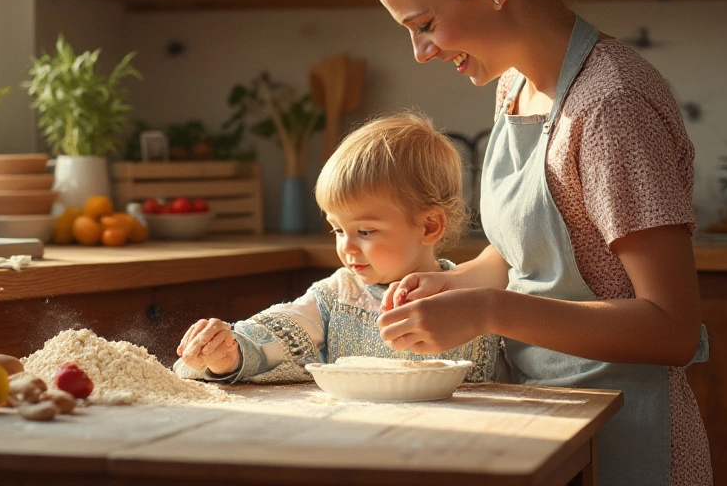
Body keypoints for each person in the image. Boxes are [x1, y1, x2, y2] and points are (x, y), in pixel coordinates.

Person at [363, 0, 712, 485]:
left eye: (425, 24)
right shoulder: (518, 88)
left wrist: (488, 311)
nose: (422, 52)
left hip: (627, 437)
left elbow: (671, 327)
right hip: (551, 425)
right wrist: (455, 286)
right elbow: (537, 254)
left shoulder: (612, 104)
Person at [175, 113, 503, 384]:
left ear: (430, 226)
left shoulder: (477, 297)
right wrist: (227, 353)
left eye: (365, 231)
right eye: (337, 229)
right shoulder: (337, 295)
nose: (346, 247)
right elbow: (274, 335)